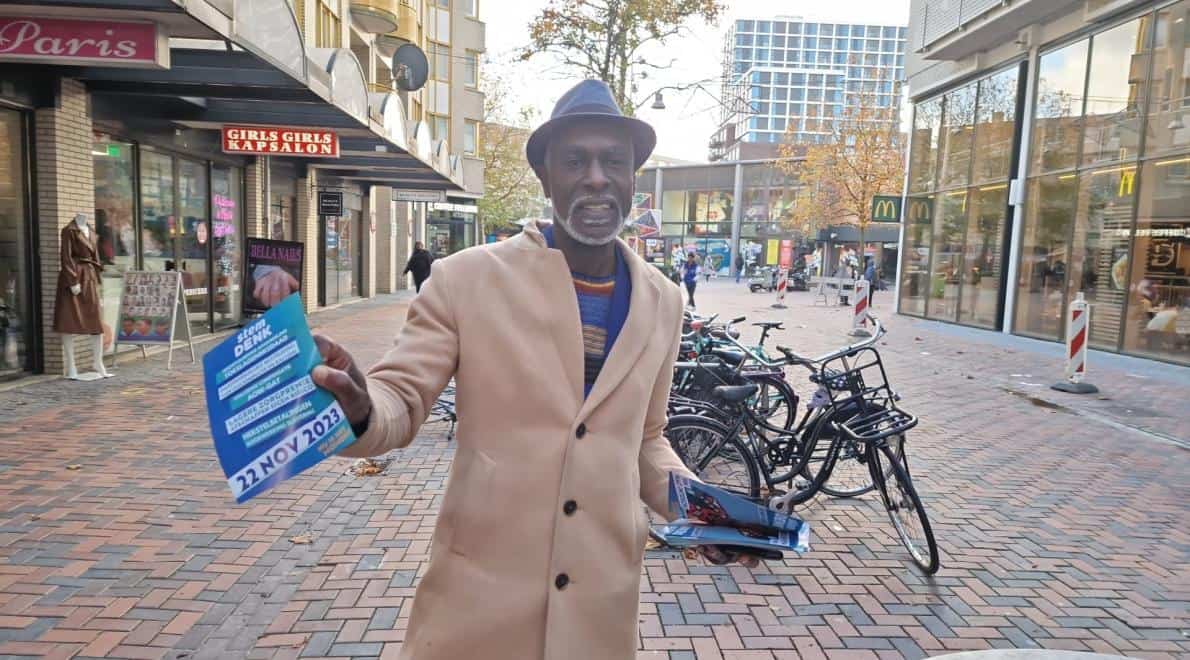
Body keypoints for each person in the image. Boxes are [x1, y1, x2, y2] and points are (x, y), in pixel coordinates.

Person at [310, 79, 759, 660]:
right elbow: (402, 396)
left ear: (631, 179)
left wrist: (704, 511)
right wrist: (363, 405)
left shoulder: (664, 300)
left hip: (599, 614)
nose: (596, 176)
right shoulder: (465, 279)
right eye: (575, 160)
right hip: (477, 611)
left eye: (613, 161)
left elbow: (645, 439)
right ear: (546, 177)